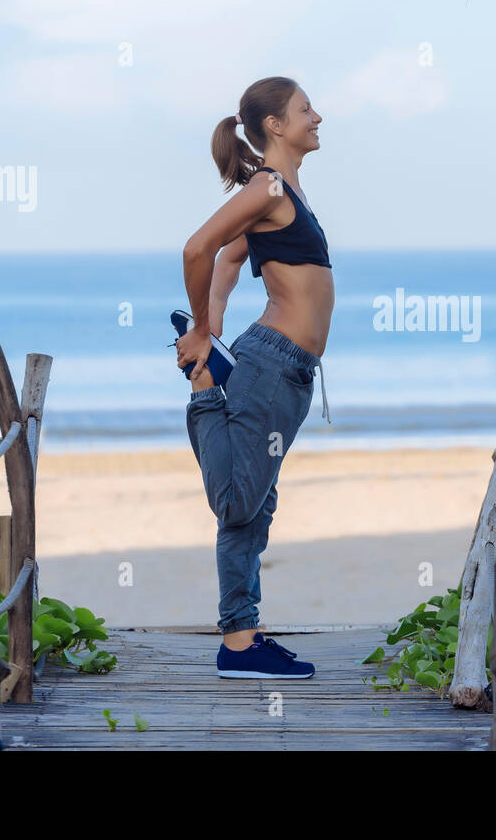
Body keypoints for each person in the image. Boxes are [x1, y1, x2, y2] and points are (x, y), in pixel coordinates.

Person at [176, 76, 333, 679]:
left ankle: (243, 638)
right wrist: (199, 328)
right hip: (271, 362)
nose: (316, 117)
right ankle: (204, 394)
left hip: (289, 371)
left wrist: (212, 327)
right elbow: (198, 248)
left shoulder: (285, 190)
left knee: (257, 503)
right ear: (275, 125)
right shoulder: (267, 187)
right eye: (304, 109)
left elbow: (231, 258)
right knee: (240, 502)